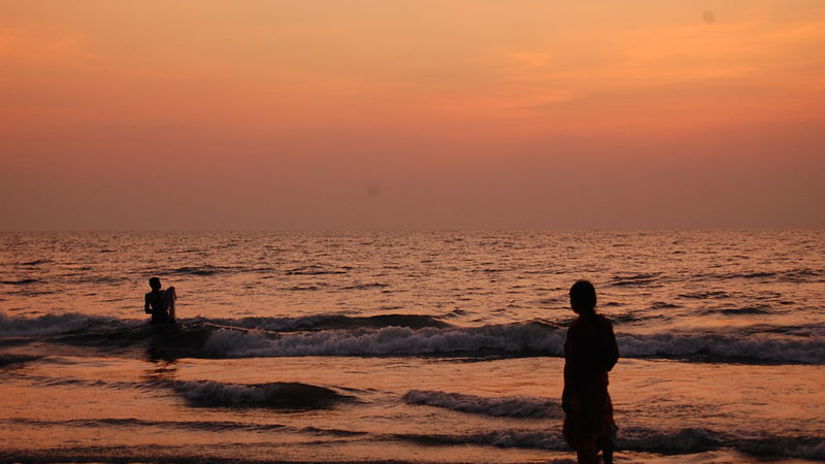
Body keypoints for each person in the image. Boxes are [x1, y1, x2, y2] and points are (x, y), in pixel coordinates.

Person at [562, 280, 619, 464]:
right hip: (601, 384)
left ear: (578, 301)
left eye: (572, 298)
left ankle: (598, 447)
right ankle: (604, 442)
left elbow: (571, 366)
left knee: (580, 436)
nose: (570, 301)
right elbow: (613, 357)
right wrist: (599, 369)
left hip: (582, 390)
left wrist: (568, 393)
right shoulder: (604, 324)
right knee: (599, 423)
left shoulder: (576, 329)